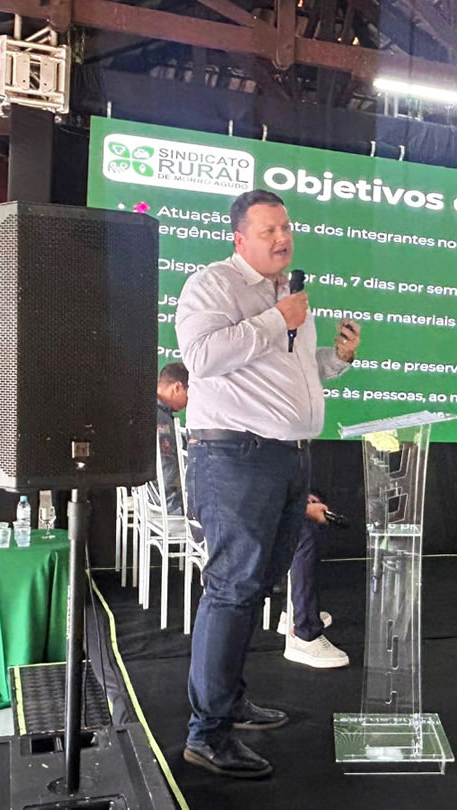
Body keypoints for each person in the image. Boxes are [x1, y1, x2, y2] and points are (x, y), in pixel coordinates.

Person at [174, 189, 361, 778]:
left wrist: (336, 359)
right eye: (268, 230)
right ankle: (207, 734)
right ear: (239, 238)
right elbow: (201, 357)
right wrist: (276, 319)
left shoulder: (289, 297)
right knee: (232, 590)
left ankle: (230, 702)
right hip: (236, 457)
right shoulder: (213, 285)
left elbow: (291, 371)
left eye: (286, 228)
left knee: (253, 588)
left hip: (285, 458)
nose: (282, 238)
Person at [277, 491, 349, 668]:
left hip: (250, 505)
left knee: (311, 524)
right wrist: (299, 507)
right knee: (304, 533)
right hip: (236, 513)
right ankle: (305, 634)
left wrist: (298, 497)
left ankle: (293, 612)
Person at [155, 362, 189, 514]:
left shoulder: (150, 410)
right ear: (177, 387)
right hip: (167, 504)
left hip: (152, 498)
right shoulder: (161, 420)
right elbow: (167, 470)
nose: (189, 402)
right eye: (189, 394)